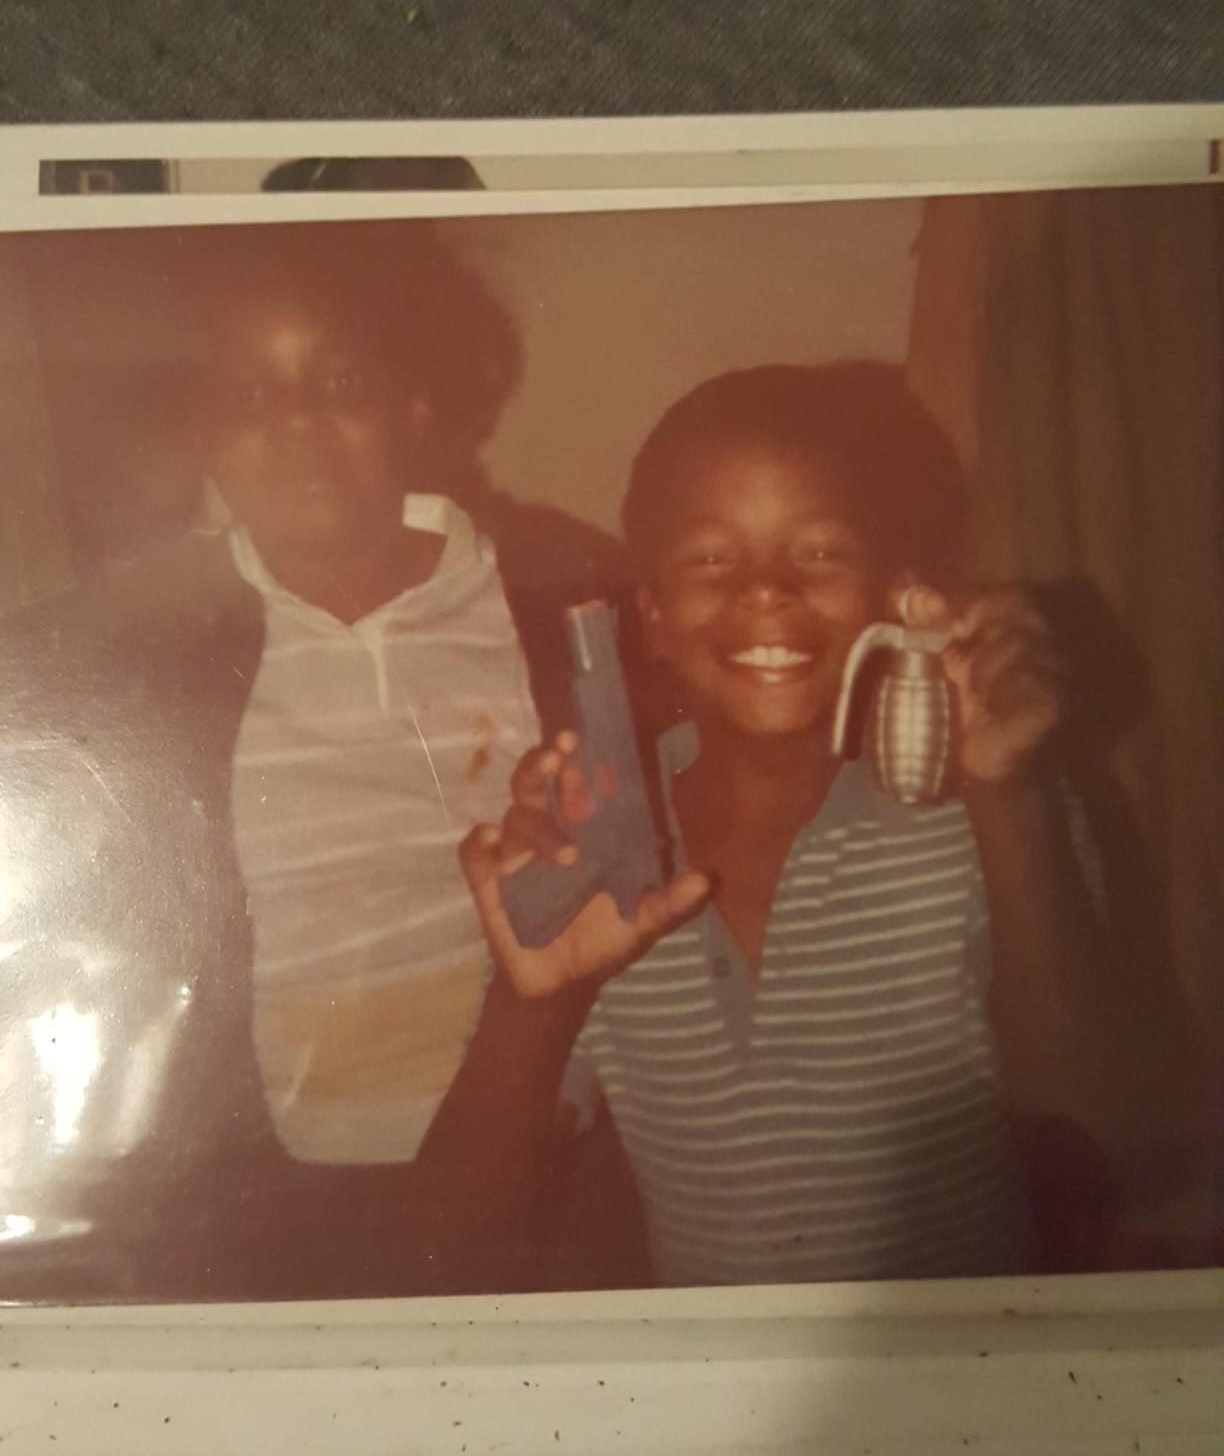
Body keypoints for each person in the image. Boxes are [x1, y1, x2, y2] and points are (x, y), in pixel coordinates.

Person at [0, 221, 624, 1302]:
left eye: (338, 379)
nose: (295, 422)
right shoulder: (133, 644)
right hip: (255, 1203)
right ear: (201, 432)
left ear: (413, 405)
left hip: (550, 1159)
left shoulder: (567, 596)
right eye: (247, 395)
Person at [460, 362, 1174, 1286]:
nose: (765, 590)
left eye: (822, 552)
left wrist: (1010, 791)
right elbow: (454, 1233)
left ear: (892, 595)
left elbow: (1098, 1122)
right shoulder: (590, 840)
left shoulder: (988, 808)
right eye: (713, 557)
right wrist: (535, 1005)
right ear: (656, 616)